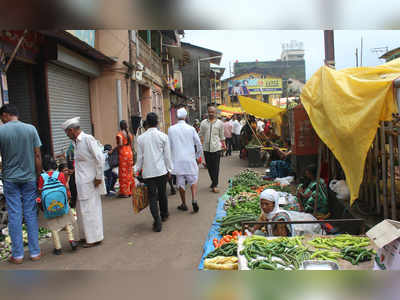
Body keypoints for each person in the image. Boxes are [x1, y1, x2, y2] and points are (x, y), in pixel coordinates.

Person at [0, 104, 42, 264]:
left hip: (10, 179)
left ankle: (17, 255)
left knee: (15, 215)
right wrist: (38, 176)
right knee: (30, 214)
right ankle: (35, 253)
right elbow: (37, 155)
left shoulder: (1, 131)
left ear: (5, 115)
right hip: (29, 178)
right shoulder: (31, 129)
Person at [62, 117, 106, 248]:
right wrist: (72, 171)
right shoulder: (76, 143)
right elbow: (84, 162)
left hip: (90, 181)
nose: (66, 135)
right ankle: (85, 236)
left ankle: (94, 238)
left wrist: (98, 177)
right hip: (81, 181)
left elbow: (100, 159)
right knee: (82, 211)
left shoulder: (88, 139)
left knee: (90, 210)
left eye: (67, 132)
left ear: (71, 130)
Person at [135, 112, 173, 232]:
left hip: (148, 173)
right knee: (162, 194)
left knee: (152, 197)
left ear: (146, 123)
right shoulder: (163, 136)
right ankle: (164, 214)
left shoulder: (140, 138)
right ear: (157, 122)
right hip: (161, 171)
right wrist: (170, 169)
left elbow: (140, 158)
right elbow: (167, 156)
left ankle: (157, 221)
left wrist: (135, 170)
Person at [37, 155, 78, 255]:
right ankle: (71, 240)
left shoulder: (42, 177)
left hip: (49, 206)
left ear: (44, 166)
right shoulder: (60, 175)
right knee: (66, 221)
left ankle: (58, 248)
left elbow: (40, 190)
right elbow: (66, 187)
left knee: (53, 226)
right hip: (62, 203)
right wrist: (69, 197)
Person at [168, 108, 202, 213]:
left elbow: (168, 147)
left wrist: (169, 163)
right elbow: (199, 144)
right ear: (186, 117)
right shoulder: (191, 129)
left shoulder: (171, 129)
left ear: (176, 117)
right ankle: (194, 199)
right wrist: (197, 156)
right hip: (190, 159)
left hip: (177, 161)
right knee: (193, 180)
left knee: (180, 183)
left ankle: (183, 203)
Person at [255, 189, 322, 237]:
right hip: (275, 238)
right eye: (262, 204)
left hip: (302, 232)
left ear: (274, 204)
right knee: (257, 233)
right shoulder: (267, 214)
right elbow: (255, 228)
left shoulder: (280, 219)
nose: (263, 207)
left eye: (267, 204)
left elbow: (283, 240)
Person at [199, 104, 226, 193]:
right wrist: (199, 145)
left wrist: (224, 144)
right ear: (207, 112)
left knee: (216, 167)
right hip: (206, 148)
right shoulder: (203, 123)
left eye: (213, 112)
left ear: (215, 113)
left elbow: (222, 135)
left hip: (216, 148)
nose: (211, 113)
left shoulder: (220, 123)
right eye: (209, 112)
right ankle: (213, 181)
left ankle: (215, 185)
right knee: (209, 167)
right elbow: (200, 134)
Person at [115, 120, 134, 198]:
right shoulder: (129, 134)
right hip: (129, 152)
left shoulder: (120, 134)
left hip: (123, 154)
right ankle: (130, 191)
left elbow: (120, 144)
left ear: (120, 126)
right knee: (129, 172)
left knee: (123, 173)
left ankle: (124, 192)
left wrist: (113, 149)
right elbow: (130, 144)